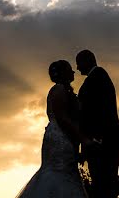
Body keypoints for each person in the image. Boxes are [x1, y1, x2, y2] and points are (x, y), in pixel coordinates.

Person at [15, 60, 89, 198]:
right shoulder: (59, 89)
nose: (73, 71)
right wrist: (82, 138)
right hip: (60, 138)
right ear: (63, 73)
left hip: (63, 136)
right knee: (58, 173)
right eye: (69, 69)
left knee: (65, 172)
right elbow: (62, 118)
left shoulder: (64, 90)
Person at [76, 50, 119, 198]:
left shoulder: (97, 77)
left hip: (103, 143)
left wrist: (94, 140)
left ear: (87, 61)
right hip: (101, 143)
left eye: (78, 63)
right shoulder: (96, 77)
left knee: (103, 187)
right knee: (101, 187)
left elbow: (97, 112)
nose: (77, 68)